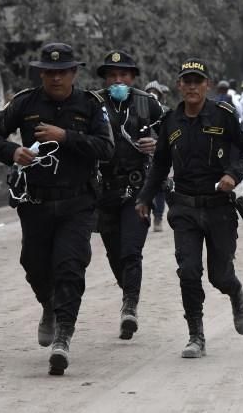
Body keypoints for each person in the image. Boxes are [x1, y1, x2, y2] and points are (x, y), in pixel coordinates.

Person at [0, 42, 114, 375]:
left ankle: (63, 338)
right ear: (42, 73)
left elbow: (107, 148)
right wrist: (13, 152)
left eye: (62, 72)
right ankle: (48, 308)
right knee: (34, 265)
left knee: (70, 267)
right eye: (49, 73)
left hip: (77, 203)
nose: (55, 79)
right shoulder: (25, 102)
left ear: (73, 73)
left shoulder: (90, 105)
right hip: (35, 202)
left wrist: (66, 136)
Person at [135, 58, 243, 359]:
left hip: (219, 208)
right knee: (188, 272)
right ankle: (196, 336)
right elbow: (160, 164)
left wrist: (232, 174)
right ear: (179, 85)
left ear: (207, 85)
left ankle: (236, 293)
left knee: (219, 275)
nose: (191, 86)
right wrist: (145, 198)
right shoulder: (170, 122)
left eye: (197, 81)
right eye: (186, 81)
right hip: (185, 208)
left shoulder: (224, 115)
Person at [93, 50, 163, 340]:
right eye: (112, 75)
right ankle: (129, 291)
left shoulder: (149, 105)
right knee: (114, 253)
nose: (117, 80)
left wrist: (156, 144)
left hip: (138, 191)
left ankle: (129, 307)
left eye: (123, 75)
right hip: (104, 190)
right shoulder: (93, 104)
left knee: (132, 250)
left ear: (133, 77)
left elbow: (175, 136)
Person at [145, 80, 170, 232]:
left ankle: (158, 217)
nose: (152, 95)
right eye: (149, 92)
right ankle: (144, 214)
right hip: (141, 156)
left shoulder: (165, 111)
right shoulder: (136, 111)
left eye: (155, 92)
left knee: (160, 187)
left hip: (159, 155)